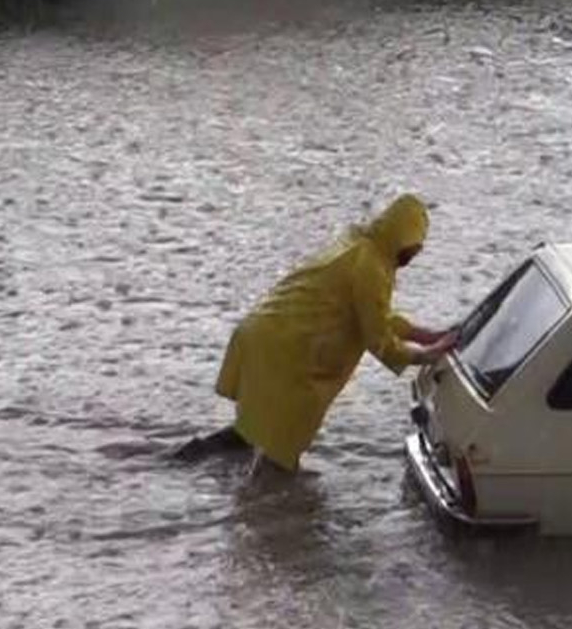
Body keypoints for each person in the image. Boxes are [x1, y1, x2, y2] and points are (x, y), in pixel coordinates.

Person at [173, 194, 458, 472]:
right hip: (287, 352)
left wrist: (426, 336)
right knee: (282, 445)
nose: (415, 254)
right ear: (403, 238)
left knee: (258, 429)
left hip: (266, 334)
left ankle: (188, 462)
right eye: (415, 246)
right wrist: (429, 355)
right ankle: (274, 507)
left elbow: (375, 316)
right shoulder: (370, 267)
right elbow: (379, 340)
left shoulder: (363, 247)